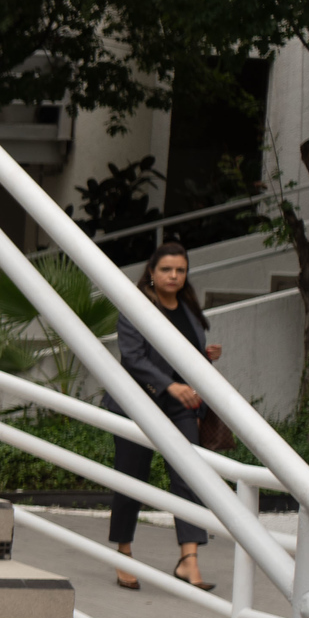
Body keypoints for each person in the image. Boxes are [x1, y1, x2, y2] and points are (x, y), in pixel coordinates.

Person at [109, 240, 224, 590]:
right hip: (138, 402)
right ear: (152, 272)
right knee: (132, 477)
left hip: (181, 405)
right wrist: (169, 385)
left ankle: (189, 560)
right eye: (167, 270)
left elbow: (184, 358)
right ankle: (123, 554)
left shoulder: (188, 307)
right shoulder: (135, 308)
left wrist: (205, 358)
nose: (174, 276)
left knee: (189, 477)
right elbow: (134, 357)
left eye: (181, 270)